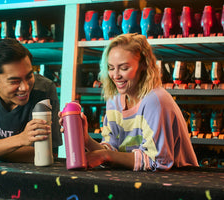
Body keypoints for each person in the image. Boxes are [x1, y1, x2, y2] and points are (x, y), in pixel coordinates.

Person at [59, 33, 198, 171]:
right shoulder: (114, 100)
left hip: (180, 181)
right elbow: (113, 150)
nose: (116, 75)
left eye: (124, 68)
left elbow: (158, 161)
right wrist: (86, 140)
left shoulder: (155, 101)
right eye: (111, 68)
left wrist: (106, 155)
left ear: (144, 65)